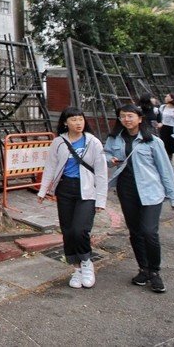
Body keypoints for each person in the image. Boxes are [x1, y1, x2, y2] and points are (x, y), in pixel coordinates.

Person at [105, 104, 174, 294]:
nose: (126, 119)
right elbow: (105, 155)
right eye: (123, 116)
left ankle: (155, 271)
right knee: (135, 232)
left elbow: (165, 170)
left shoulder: (153, 141)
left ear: (139, 118)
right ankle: (143, 269)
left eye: (130, 116)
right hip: (126, 190)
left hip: (151, 191)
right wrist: (109, 160)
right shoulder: (114, 139)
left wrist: (173, 196)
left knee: (149, 232)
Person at [37, 106, 108, 289]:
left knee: (80, 230)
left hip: (87, 190)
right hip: (65, 189)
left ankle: (86, 263)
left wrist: (101, 199)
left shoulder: (93, 142)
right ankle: (76, 269)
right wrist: (43, 190)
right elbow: (50, 167)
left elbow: (101, 172)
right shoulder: (58, 142)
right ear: (65, 122)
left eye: (80, 119)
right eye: (74, 119)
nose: (78, 123)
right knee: (68, 231)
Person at [159, 92, 174, 162]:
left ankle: (171, 159)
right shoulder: (163, 107)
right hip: (164, 128)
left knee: (172, 146)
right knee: (164, 144)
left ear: (172, 99)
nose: (165, 98)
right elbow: (160, 117)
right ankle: (166, 160)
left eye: (167, 96)